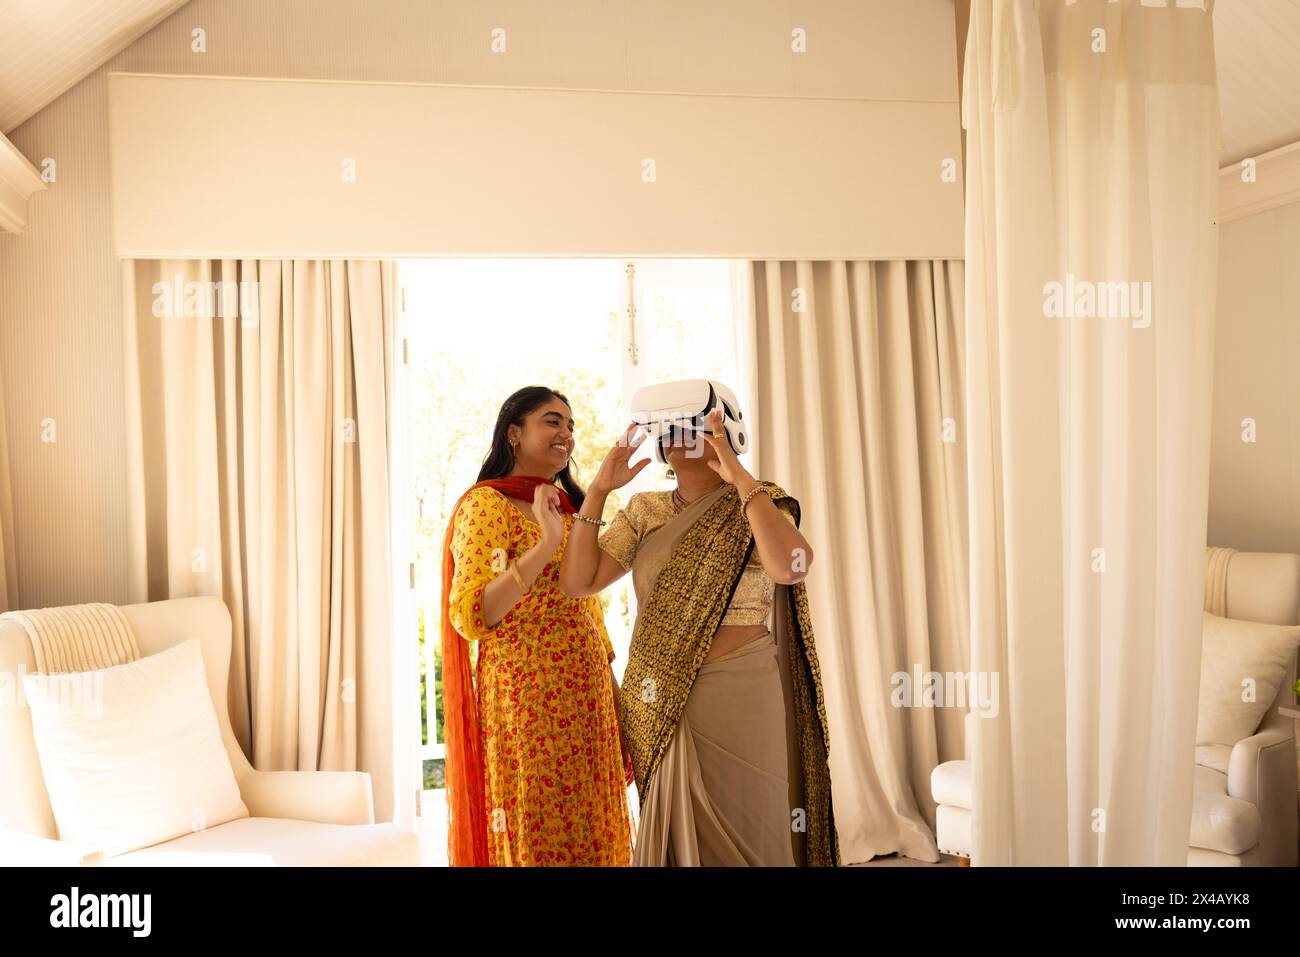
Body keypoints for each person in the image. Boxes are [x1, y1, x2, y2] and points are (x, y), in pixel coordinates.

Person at [559, 397, 839, 866]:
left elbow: (792, 567)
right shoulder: (644, 510)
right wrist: (600, 491)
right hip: (658, 688)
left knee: (753, 817)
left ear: (725, 432)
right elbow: (577, 582)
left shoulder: (760, 500)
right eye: (667, 429)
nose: (675, 436)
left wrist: (740, 478)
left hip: (742, 688)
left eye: (690, 425)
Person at [440, 385, 633, 866]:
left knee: (596, 830)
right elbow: (470, 615)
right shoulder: (486, 505)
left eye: (571, 426)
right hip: (527, 701)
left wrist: (617, 702)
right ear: (513, 433)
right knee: (539, 829)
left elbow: (589, 614)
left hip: (588, 697)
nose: (566, 433)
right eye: (552, 421)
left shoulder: (570, 509)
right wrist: (543, 546)